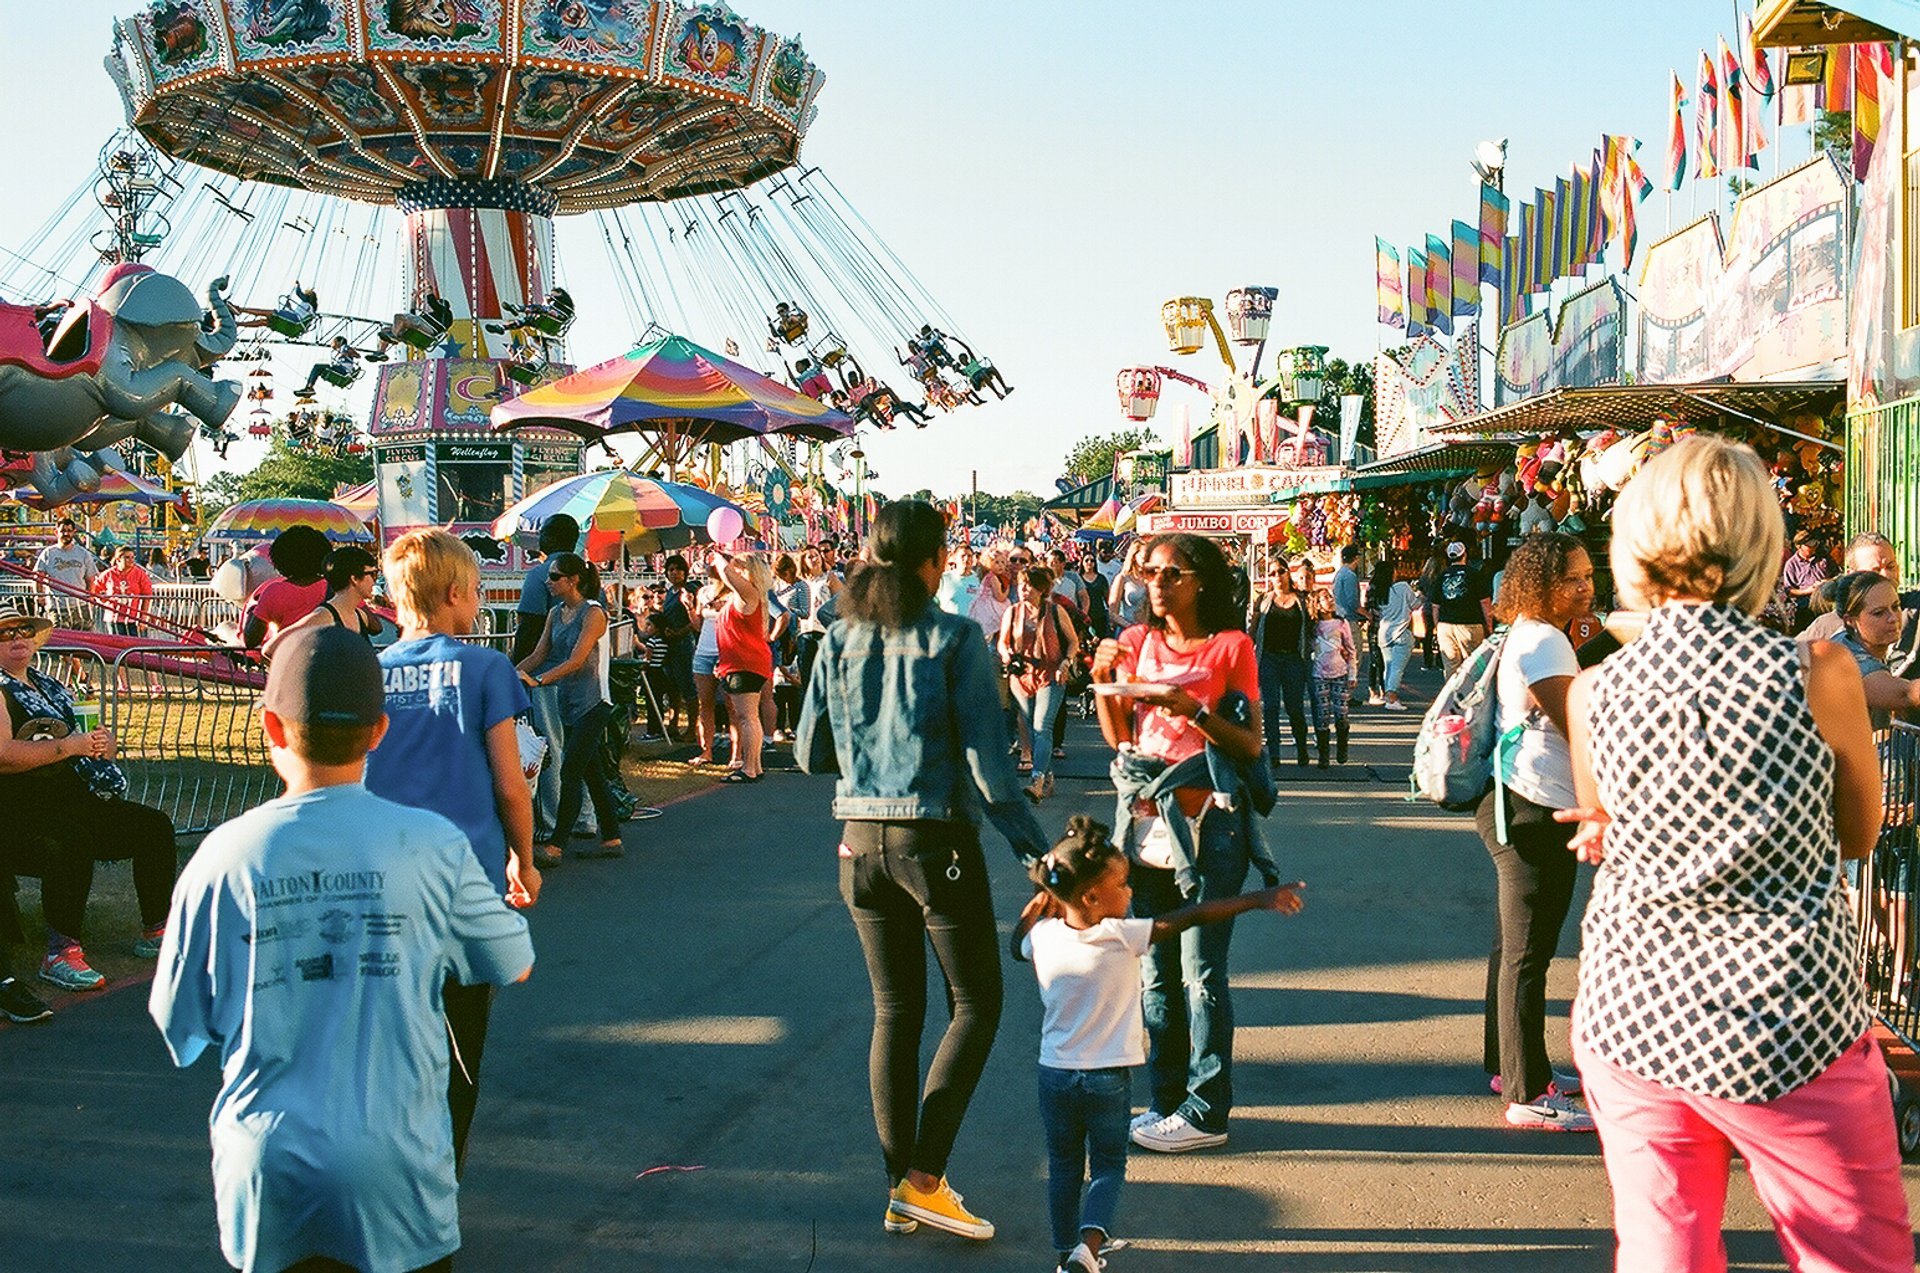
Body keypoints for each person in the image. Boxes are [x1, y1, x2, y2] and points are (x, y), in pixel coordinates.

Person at [1557, 436, 1913, 1271]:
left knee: (1663, 1252)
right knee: (1853, 1252)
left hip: (1634, 1011)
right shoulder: (1818, 669)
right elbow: (1857, 834)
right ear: (1764, 540)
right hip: (1791, 1015)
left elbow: (1604, 829)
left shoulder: (1593, 689)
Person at [149, 625, 535, 1273]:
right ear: (379, 731)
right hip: (398, 1165)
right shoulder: (434, 844)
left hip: (267, 1169)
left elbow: (180, 1025)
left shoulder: (224, 855)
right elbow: (505, 958)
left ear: (270, 726)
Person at [797, 500, 1050, 1242]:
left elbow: (811, 752)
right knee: (976, 1002)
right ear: (937, 561)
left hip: (857, 841)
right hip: (932, 839)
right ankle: (924, 1178)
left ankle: (898, 1188)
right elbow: (991, 770)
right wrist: (1036, 852)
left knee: (894, 1011)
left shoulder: (838, 636)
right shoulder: (955, 637)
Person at [1010, 816, 1303, 1273]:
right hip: (1107, 1079)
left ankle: (1063, 1250)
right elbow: (1188, 917)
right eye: (1123, 885)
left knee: (1065, 1168)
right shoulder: (1120, 936)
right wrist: (1256, 899)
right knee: (1107, 1167)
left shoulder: (1042, 937)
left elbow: (1017, 944)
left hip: (1054, 1075)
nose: (1130, 893)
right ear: (1091, 896)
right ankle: (1088, 1249)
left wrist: (1040, 904)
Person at [364, 529, 539, 1176]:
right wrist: (524, 856)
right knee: (459, 1043)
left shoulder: (369, 672)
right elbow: (510, 783)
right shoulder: (486, 668)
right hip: (462, 884)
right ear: (457, 592)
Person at [1090, 533, 1267, 1154]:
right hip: (1143, 827)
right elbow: (1120, 742)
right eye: (1150, 574)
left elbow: (1250, 745)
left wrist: (1188, 708)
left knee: (1203, 974)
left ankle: (1206, 1108)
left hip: (1210, 829)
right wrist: (1101, 678)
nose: (1157, 585)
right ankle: (1166, 1100)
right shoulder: (1135, 643)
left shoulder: (1231, 647)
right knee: (1154, 974)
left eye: (1172, 574)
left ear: (1202, 582)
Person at [1474, 532, 1596, 1132]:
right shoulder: (1544, 641)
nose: (1585, 587)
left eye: (1588, 577)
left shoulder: (1528, 632)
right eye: (1572, 578)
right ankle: (1528, 1093)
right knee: (1529, 953)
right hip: (1531, 807)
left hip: (1517, 803)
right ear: (1543, 581)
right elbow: (1579, 723)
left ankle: (1514, 1064)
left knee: (1514, 948)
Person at [0, 601, 177, 994]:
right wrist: (71, 746)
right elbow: (3, 756)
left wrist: (100, 743)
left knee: (152, 826)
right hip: (15, 809)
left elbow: (87, 739)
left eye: (23, 630)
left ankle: (156, 930)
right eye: (5, 632)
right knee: (69, 842)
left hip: (72, 798)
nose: (17, 638)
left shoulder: (48, 685)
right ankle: (60, 953)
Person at [517, 553, 621, 868]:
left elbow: (577, 659)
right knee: (593, 771)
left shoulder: (593, 613)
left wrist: (538, 681)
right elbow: (539, 653)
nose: (548, 582)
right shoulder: (555, 613)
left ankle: (556, 844)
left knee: (570, 771)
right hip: (569, 701)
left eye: (555, 577)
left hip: (594, 702)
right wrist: (507, 673)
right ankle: (612, 837)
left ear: (573, 580)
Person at [999, 565, 1080, 801]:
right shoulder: (1012, 612)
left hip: (1051, 674)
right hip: (1022, 676)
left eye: (1029, 585)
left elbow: (1072, 641)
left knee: (1042, 726)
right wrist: (1007, 656)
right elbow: (1003, 642)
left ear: (1041, 589)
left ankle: (1036, 780)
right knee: (1033, 733)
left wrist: (1067, 661)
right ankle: (1047, 774)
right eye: (1022, 583)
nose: (1024, 588)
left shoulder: (1055, 611)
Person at [1799, 531, 1920, 674]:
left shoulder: (1914, 607)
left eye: (1891, 566)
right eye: (1875, 570)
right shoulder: (1827, 627)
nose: (1886, 575)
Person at [1825, 570, 1920, 727]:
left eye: (1895, 606)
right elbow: (1905, 695)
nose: (1893, 618)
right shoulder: (1850, 659)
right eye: (1878, 613)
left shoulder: (1852, 642)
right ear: (1850, 621)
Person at [712, 550, 774, 783]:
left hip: (745, 662)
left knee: (747, 716)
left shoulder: (749, 592)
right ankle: (754, 766)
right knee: (749, 716)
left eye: (740, 565)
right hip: (744, 660)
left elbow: (726, 573)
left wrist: (718, 555)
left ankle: (748, 767)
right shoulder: (747, 595)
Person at [1248, 558, 1312, 768]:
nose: (1277, 576)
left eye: (1280, 571)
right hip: (1269, 659)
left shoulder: (1301, 600)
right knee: (1271, 707)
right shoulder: (1264, 600)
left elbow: (1313, 628)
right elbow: (1254, 630)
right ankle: (1273, 754)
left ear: (1288, 573)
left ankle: (1302, 748)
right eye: (1272, 573)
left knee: (1295, 708)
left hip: (1294, 659)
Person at [263, 546, 384, 655]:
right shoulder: (324, 616)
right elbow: (271, 648)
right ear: (354, 579)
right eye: (373, 574)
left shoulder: (360, 616)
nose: (375, 580)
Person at [240, 525, 331, 649]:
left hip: (289, 658)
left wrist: (253, 611)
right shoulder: (338, 586)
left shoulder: (274, 591)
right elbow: (366, 620)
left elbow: (251, 640)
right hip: (333, 658)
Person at [513, 515, 580, 666]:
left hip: (546, 669)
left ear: (551, 538)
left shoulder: (539, 575)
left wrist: (516, 666)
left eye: (542, 533)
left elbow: (529, 628)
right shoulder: (589, 576)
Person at [1306, 588, 1355, 767]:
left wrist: (1352, 673)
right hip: (1319, 674)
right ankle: (1324, 754)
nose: (1330, 600)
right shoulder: (1313, 626)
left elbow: (1350, 650)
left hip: (1340, 673)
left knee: (1341, 713)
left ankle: (1342, 746)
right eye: (1325, 598)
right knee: (1322, 714)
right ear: (1317, 605)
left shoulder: (1341, 623)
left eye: (1330, 596)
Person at [1433, 540, 1493, 678]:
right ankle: (1472, 696)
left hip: (1445, 625)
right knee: (1473, 665)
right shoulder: (1474, 574)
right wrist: (1489, 625)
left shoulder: (1442, 576)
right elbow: (1484, 602)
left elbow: (1435, 606)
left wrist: (1438, 627)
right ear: (1464, 554)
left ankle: (1452, 696)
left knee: (1450, 666)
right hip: (1470, 624)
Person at [34, 518, 98, 636]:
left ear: (73, 532)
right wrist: (40, 596)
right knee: (61, 641)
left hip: (80, 605)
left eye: (69, 531)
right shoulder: (48, 553)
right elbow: (39, 577)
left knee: (83, 641)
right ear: (56, 532)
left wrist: (90, 597)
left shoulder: (83, 554)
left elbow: (90, 579)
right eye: (63, 530)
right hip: (58, 606)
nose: (66, 534)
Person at [1371, 561, 1416, 712]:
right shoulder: (1402, 587)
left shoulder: (1379, 592)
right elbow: (1415, 604)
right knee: (1397, 668)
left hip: (1384, 633)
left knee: (1389, 667)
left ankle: (1388, 694)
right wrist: (1422, 595)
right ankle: (1391, 696)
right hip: (1401, 632)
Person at [1330, 546, 1366, 705]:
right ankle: (1347, 693)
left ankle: (1339, 691)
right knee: (1354, 656)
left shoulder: (1339, 574)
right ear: (1356, 558)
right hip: (1349, 620)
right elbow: (1353, 602)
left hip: (1339, 618)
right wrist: (1367, 614)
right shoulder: (1350, 576)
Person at [94, 543, 154, 636]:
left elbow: (147, 596)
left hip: (134, 618)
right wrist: (104, 600)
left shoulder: (140, 574)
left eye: (132, 557)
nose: (131, 560)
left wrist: (143, 618)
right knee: (116, 646)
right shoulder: (108, 574)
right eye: (127, 557)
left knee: (137, 646)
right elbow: (95, 589)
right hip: (114, 617)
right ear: (118, 559)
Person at [1780, 528, 1832, 632]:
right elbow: (1789, 591)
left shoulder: (1824, 559)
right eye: (1810, 546)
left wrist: (1826, 582)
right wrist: (1807, 591)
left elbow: (1837, 575)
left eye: (1815, 545)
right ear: (1799, 547)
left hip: (1825, 603)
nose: (1814, 548)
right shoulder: (1791, 564)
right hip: (1805, 606)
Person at [295, 336, 361, 400]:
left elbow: (357, 355)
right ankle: (308, 389)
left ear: (339, 342)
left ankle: (309, 388)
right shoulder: (339, 351)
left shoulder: (344, 347)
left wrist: (346, 353)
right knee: (318, 369)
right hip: (341, 369)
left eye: (334, 341)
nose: (332, 343)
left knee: (317, 367)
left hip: (343, 370)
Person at [1106, 541, 1149, 633]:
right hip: (1128, 629)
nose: (1147, 561)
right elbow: (1112, 613)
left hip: (1149, 630)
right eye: (1144, 557)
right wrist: (1130, 626)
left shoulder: (1152, 578)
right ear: (1134, 557)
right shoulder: (1122, 578)